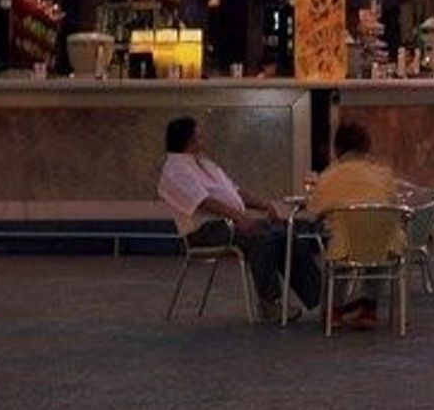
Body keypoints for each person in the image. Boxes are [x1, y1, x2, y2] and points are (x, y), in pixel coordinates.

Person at [157, 115, 297, 322]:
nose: (204, 141)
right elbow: (203, 201)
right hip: (205, 231)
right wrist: (239, 217)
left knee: (282, 232)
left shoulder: (206, 165)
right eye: (199, 137)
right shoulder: (175, 169)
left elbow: (235, 192)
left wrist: (265, 205)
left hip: (229, 223)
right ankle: (270, 303)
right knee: (260, 238)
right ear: (189, 141)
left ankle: (315, 295)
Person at [303, 120, 398, 329]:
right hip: (386, 245)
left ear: (337, 149)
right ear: (366, 147)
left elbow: (314, 211)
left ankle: (334, 311)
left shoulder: (330, 176)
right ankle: (369, 309)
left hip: (346, 246)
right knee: (375, 237)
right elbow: (395, 206)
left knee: (337, 250)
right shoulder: (383, 174)